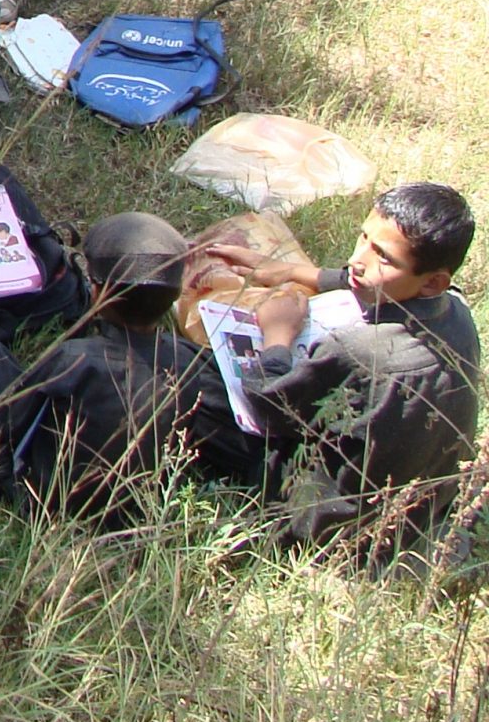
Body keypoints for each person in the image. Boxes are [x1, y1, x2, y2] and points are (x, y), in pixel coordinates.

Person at [201, 183, 480, 555]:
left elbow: (268, 407)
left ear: (433, 282)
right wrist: (291, 271)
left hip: (337, 529)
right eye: (364, 238)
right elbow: (357, 277)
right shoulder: (457, 309)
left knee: (198, 386)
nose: (358, 260)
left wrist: (277, 336)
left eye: (383, 257)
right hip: (427, 508)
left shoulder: (361, 352)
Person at [0, 213, 260, 523]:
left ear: (97, 290)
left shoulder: (72, 359)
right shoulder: (187, 361)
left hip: (41, 500)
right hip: (134, 507)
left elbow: (15, 425)